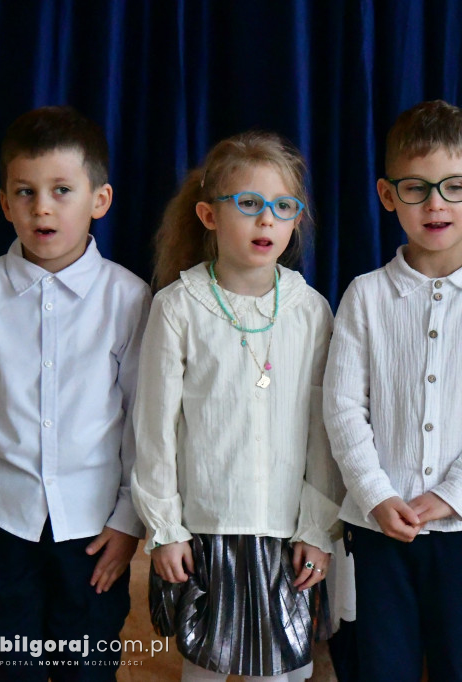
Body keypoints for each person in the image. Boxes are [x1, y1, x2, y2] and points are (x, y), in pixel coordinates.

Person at [323, 99, 462, 681]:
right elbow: (342, 406)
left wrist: (452, 495)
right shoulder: (365, 295)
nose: (436, 203)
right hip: (378, 528)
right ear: (389, 195)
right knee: (379, 668)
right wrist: (374, 493)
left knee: (460, 667)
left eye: (454, 186)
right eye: (416, 188)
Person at [0, 106, 150, 680]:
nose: (43, 208)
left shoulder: (129, 299)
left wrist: (129, 520)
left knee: (88, 668)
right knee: (7, 669)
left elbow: (142, 418)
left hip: (92, 528)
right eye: (25, 192)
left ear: (99, 200)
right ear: (5, 203)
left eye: (62, 189)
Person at [131, 131, 343, 681]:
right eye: (248, 204)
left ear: (297, 219)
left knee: (284, 674)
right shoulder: (179, 307)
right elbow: (153, 429)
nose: (265, 220)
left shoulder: (311, 311)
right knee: (204, 670)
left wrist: (317, 529)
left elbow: (325, 433)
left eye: (282, 207)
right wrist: (166, 529)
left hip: (286, 536)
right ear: (208, 214)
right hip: (204, 533)